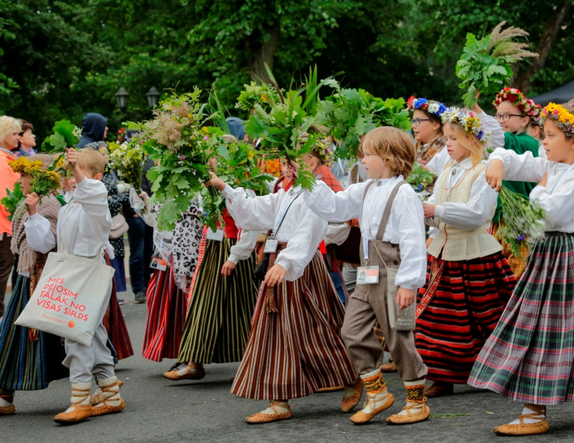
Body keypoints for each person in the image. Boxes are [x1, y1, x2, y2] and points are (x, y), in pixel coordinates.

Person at [207, 153, 359, 424]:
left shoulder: (314, 191)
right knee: (277, 329)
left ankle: (350, 376)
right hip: (282, 261)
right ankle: (279, 399)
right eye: (286, 162)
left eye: (296, 162)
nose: (288, 168)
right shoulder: (286, 193)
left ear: (313, 163)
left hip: (299, 265)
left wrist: (286, 263)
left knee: (314, 328)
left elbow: (309, 231)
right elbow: (254, 212)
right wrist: (225, 187)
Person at [304, 126, 430, 425]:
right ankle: (377, 393)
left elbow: (413, 239)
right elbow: (333, 206)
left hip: (393, 270)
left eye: (368, 155)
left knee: (398, 335)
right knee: (352, 331)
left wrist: (409, 283)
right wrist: (308, 180)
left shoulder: (404, 194)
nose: (362, 160)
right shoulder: (366, 188)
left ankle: (416, 401)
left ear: (389, 158)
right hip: (368, 269)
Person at [468, 102, 574, 436]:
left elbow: (553, 213)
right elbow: (515, 159)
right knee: (536, 328)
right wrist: (498, 161)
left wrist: (539, 187)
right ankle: (532, 410)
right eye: (544, 134)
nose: (544, 141)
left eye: (552, 136)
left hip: (565, 256)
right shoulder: (551, 164)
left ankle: (534, 411)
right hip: (548, 254)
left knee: (553, 332)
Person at [417, 108, 516, 398]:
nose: (447, 143)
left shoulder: (483, 170)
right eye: (446, 137)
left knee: (485, 315)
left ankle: (497, 368)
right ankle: (442, 375)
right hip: (445, 254)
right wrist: (426, 212)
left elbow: (477, 214)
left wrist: (437, 210)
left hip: (476, 256)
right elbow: (436, 206)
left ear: (472, 139)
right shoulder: (447, 170)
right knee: (439, 320)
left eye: (454, 138)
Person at [30, 148, 125, 423]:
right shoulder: (70, 205)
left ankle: (80, 400)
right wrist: (35, 214)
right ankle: (111, 394)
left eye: (81, 172)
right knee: (91, 333)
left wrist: (76, 170)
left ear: (96, 176)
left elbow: (90, 191)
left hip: (87, 273)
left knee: (76, 335)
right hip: (71, 272)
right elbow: (49, 243)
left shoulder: (97, 200)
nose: (74, 178)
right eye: (73, 171)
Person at [0, 154, 68, 416]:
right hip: (27, 275)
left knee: (66, 333)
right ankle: (5, 394)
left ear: (37, 177)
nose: (20, 182)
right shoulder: (32, 201)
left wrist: (32, 212)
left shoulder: (48, 203)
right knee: (13, 335)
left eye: (24, 177)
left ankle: (100, 383)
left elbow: (45, 244)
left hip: (43, 277)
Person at [141, 199, 203, 363]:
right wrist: (144, 204)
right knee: (158, 296)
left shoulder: (195, 193)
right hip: (164, 253)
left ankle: (189, 351)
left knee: (184, 302)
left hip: (187, 253)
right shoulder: (163, 191)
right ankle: (173, 347)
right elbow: (153, 220)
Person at [489, 88, 541, 279]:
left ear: (525, 120)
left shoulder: (529, 143)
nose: (501, 120)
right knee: (498, 272)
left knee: (517, 272)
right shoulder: (499, 144)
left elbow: (504, 141)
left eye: (507, 115)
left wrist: (475, 108)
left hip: (520, 219)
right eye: (498, 115)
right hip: (499, 219)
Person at [0, 116, 21, 319]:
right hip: (4, 229)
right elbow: (7, 198)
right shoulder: (3, 161)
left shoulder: (6, 159)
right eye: (14, 133)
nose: (18, 137)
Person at [407, 96, 448, 177]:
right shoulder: (412, 150)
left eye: (418, 121)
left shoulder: (446, 151)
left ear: (435, 124)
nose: (413, 126)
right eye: (413, 121)